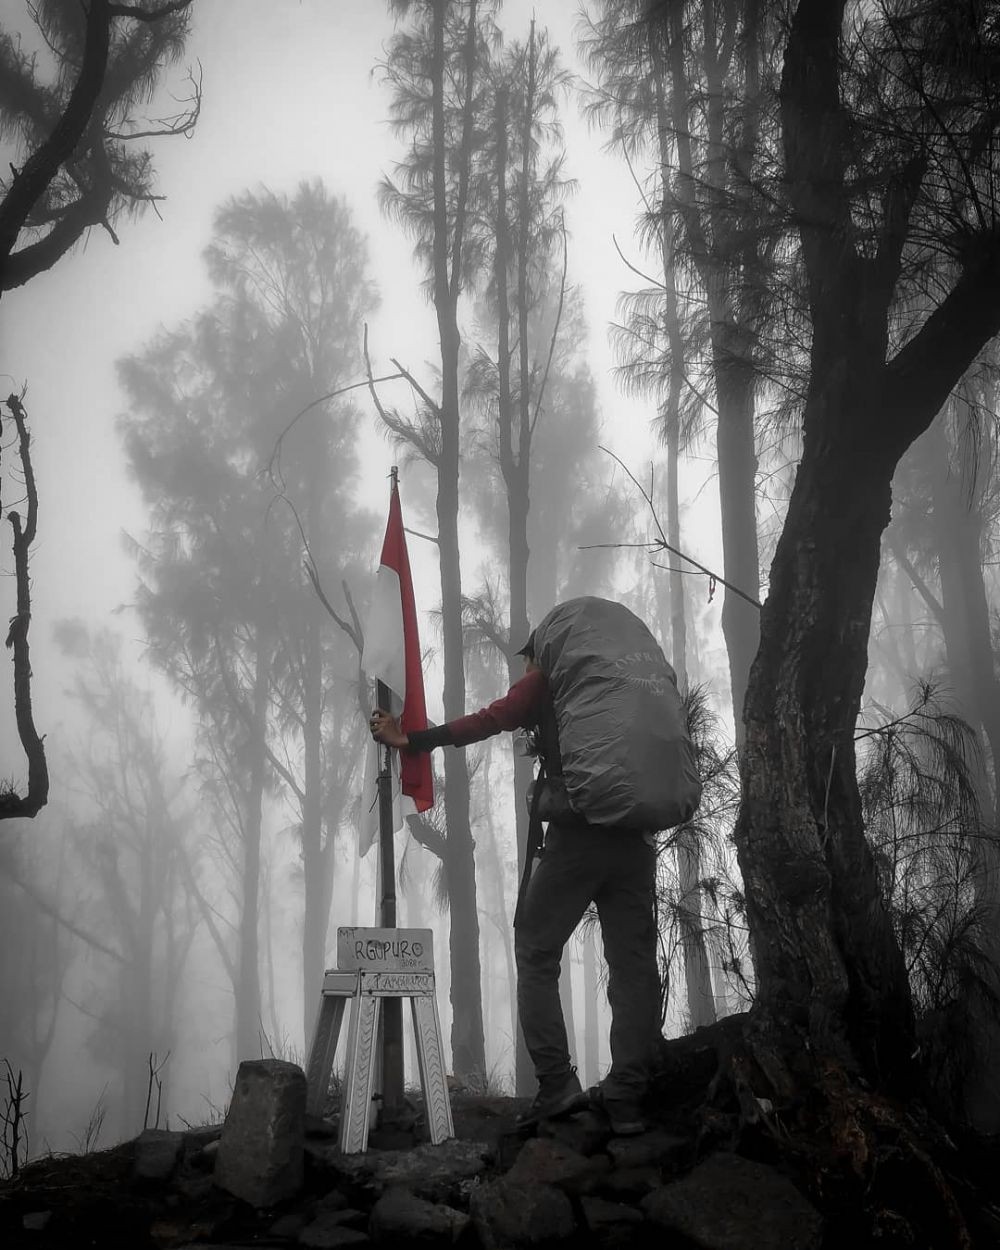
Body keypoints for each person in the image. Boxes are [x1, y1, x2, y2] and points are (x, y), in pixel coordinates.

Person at [370, 632, 661, 1136]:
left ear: (539, 655)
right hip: (635, 839)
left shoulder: (547, 683)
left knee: (534, 949)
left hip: (578, 836)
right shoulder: (622, 687)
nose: (523, 669)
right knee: (632, 966)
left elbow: (488, 719)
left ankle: (556, 1084)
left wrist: (410, 739)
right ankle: (628, 1099)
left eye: (525, 661)